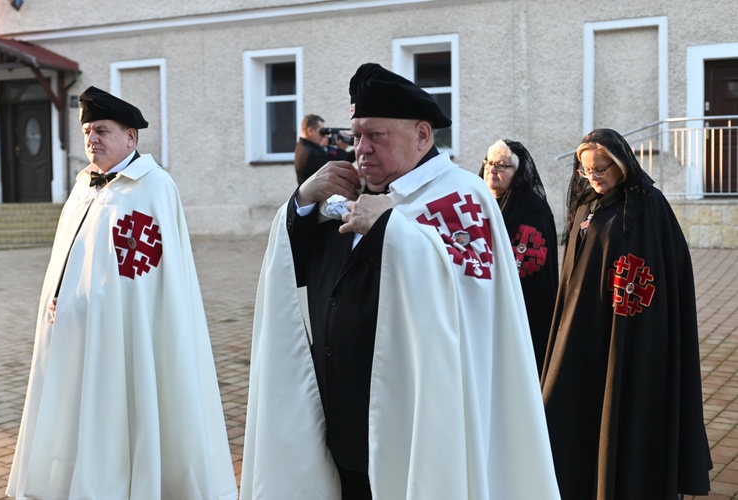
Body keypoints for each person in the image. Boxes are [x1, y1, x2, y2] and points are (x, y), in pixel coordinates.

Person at [240, 63, 560, 499]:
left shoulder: (462, 197)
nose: (361, 151)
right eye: (356, 137)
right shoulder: (348, 195)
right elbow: (297, 269)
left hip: (411, 426)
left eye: (377, 136)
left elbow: (466, 301)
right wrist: (300, 203)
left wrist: (390, 227)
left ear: (423, 136)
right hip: (340, 430)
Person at [6, 86, 238, 500]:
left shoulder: (154, 188)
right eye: (88, 132)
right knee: (76, 412)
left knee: (127, 408)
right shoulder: (84, 188)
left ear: (131, 137)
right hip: (76, 333)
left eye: (102, 131)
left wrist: (113, 309)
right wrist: (58, 296)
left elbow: (149, 275)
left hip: (130, 334)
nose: (91, 139)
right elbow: (72, 254)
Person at [541, 128, 713, 499]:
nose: (594, 177)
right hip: (582, 329)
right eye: (587, 171)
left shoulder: (649, 206)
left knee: (626, 406)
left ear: (621, 164)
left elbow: (666, 272)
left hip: (631, 332)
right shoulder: (587, 205)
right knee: (563, 402)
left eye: (601, 168)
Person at [479, 139, 558, 375]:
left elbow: (537, 274)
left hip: (523, 311)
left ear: (519, 173)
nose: (492, 170)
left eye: (502, 165)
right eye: (490, 163)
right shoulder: (475, 203)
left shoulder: (534, 212)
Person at [294, 113, 355, 184]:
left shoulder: (304, 146)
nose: (325, 135)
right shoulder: (310, 153)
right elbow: (335, 171)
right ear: (310, 131)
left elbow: (345, 159)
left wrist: (358, 149)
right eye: (322, 131)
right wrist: (341, 149)